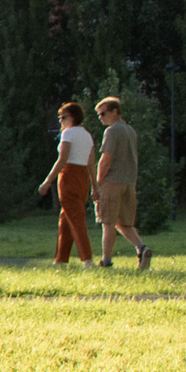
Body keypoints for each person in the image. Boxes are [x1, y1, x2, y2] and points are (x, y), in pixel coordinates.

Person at [90, 97, 152, 271]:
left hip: (112, 182)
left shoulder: (112, 131)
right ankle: (142, 248)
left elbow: (105, 159)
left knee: (107, 222)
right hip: (129, 182)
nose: (100, 117)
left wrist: (97, 184)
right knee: (124, 223)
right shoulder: (130, 130)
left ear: (115, 111)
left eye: (103, 113)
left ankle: (106, 261)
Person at [38, 101, 95, 267]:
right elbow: (91, 162)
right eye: (60, 117)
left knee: (76, 219)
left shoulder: (68, 134)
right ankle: (61, 259)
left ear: (74, 117)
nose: (61, 120)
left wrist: (47, 181)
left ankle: (87, 259)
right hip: (82, 177)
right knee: (66, 218)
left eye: (64, 117)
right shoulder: (87, 135)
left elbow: (62, 159)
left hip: (69, 176)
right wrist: (94, 186)